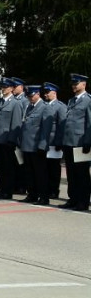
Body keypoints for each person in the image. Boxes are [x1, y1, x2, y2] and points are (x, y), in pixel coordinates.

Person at [59, 73, 91, 211]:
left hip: (80, 142)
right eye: (72, 84)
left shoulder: (88, 100)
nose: (73, 86)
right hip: (69, 142)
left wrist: (87, 142)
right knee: (71, 173)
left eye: (76, 84)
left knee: (81, 174)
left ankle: (83, 201)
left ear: (84, 84)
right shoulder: (71, 101)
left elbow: (90, 122)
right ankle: (73, 199)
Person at [19, 85, 48, 204]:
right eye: (28, 96)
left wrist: (42, 145)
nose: (30, 98)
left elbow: (45, 129)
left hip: (37, 147)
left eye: (32, 96)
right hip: (27, 146)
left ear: (38, 94)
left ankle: (43, 197)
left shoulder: (44, 107)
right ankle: (32, 195)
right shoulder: (28, 107)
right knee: (29, 173)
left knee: (40, 174)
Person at [40, 82, 67, 201]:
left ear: (54, 93)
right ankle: (46, 189)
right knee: (44, 168)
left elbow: (61, 126)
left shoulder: (60, 106)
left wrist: (58, 142)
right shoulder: (43, 106)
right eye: (44, 92)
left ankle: (54, 190)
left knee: (54, 169)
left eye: (47, 92)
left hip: (53, 143)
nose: (45, 94)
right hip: (44, 142)